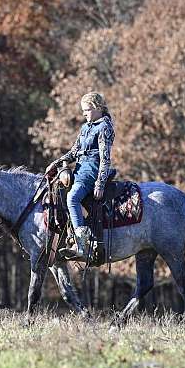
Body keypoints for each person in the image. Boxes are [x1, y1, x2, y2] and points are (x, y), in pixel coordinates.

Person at [45, 92, 115, 258]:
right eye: (83, 110)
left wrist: (100, 183)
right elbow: (74, 152)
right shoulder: (85, 128)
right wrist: (55, 164)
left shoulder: (105, 127)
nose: (84, 113)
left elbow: (105, 159)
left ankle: (82, 245)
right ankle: (65, 236)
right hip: (79, 168)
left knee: (72, 198)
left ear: (98, 108)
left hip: (91, 170)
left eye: (87, 110)